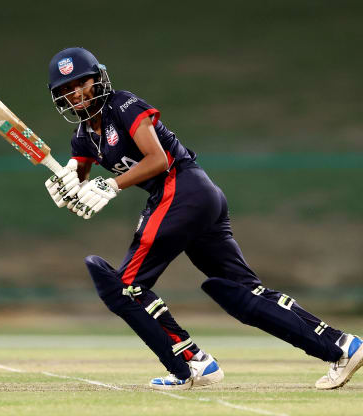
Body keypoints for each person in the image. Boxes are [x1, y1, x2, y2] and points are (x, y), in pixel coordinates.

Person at [44, 47, 363, 391]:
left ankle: (192, 362)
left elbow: (159, 159)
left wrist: (112, 184)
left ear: (98, 80)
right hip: (193, 199)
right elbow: (78, 170)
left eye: (80, 83)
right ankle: (342, 346)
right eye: (65, 90)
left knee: (127, 288)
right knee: (245, 293)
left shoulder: (123, 105)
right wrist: (67, 183)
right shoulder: (82, 136)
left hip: (181, 188)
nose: (74, 94)